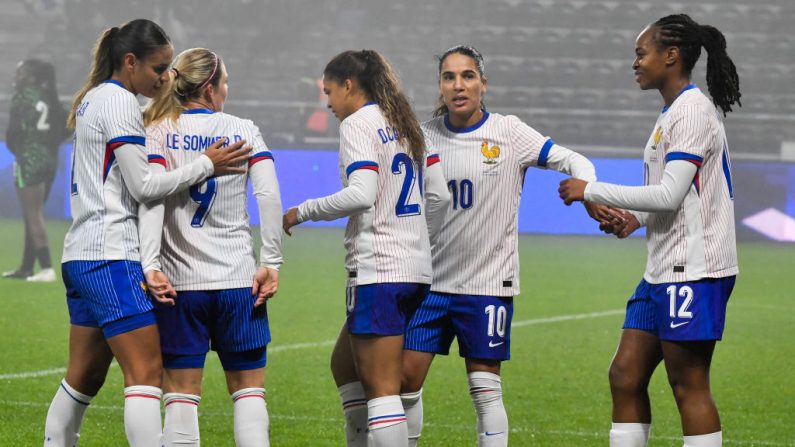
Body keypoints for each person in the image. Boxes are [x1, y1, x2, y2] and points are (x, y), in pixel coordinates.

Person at [43, 19, 251, 447]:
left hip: (82, 253)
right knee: (147, 373)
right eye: (159, 68)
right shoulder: (119, 101)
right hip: (110, 252)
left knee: (84, 377)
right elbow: (144, 187)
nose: (165, 77)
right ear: (130, 61)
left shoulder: (94, 98)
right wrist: (206, 164)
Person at [396, 45, 608, 447]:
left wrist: (591, 191)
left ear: (483, 83)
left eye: (467, 76)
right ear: (440, 87)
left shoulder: (510, 132)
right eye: (449, 77)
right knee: (405, 381)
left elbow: (571, 159)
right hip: (430, 283)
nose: (459, 85)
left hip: (487, 284)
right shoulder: (421, 138)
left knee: (484, 388)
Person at [558, 13, 740, 447]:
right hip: (663, 267)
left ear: (671, 56)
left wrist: (592, 189)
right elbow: (668, 194)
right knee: (625, 374)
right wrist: (631, 220)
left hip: (695, 268)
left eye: (641, 54)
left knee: (687, 383)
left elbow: (671, 195)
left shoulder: (693, 113)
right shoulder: (671, 113)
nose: (635, 63)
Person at [282, 49, 450, 447]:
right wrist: (414, 239)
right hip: (415, 272)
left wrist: (301, 211)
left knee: (382, 392)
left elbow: (361, 194)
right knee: (345, 366)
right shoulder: (407, 124)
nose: (327, 102)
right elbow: (440, 196)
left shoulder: (358, 123)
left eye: (328, 92)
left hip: (380, 272)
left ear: (349, 85)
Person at [140, 48, 283, 447]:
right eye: (225, 83)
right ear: (209, 86)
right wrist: (270, 259)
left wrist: (149, 263)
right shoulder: (243, 129)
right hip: (239, 282)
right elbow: (269, 195)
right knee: (249, 393)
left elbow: (150, 200)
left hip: (179, 284)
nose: (227, 90)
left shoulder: (158, 130)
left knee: (182, 399)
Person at [3, 59, 69, 282]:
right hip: (48, 160)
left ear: (31, 77)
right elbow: (66, 127)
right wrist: (48, 145)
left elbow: (12, 133)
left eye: (20, 73)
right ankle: (26, 267)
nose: (16, 77)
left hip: (29, 161)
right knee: (34, 214)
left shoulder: (23, 97)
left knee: (33, 215)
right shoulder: (49, 98)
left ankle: (47, 268)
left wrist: (21, 151)